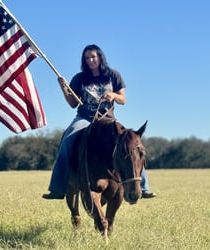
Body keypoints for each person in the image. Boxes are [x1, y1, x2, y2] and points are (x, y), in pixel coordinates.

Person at [42, 44, 156, 200]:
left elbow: (123, 99)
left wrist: (114, 95)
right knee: (67, 141)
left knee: (132, 144)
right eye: (87, 58)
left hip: (108, 119)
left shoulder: (113, 75)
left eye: (93, 56)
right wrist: (64, 88)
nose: (90, 60)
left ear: (100, 57)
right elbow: (72, 103)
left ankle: (143, 186)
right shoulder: (79, 78)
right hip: (84, 118)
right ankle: (57, 187)